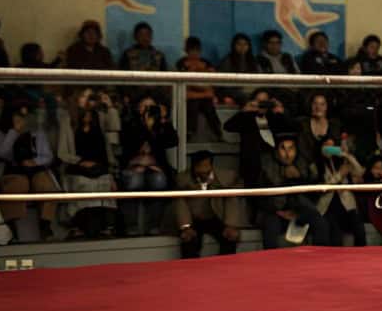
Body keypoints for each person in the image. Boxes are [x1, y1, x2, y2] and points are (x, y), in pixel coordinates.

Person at [56, 89, 123, 239]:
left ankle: (107, 226)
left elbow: (115, 129)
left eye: (91, 97)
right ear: (77, 99)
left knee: (105, 181)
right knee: (82, 182)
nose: (88, 101)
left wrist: (110, 106)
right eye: (84, 97)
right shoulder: (68, 120)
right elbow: (62, 153)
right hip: (76, 165)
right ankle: (78, 225)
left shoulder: (100, 117)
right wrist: (80, 161)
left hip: (100, 166)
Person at [0, 102, 62, 241]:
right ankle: (12, 227)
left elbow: (47, 156)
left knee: (46, 185)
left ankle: (45, 224)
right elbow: (2, 153)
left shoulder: (37, 133)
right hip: (14, 169)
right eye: (18, 116)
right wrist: (14, 132)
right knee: (17, 186)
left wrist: (34, 162)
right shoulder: (1, 133)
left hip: (35, 169)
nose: (21, 120)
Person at [256, 134, 330, 249]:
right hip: (275, 212)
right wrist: (278, 211)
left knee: (321, 223)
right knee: (271, 227)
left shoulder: (302, 163)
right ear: (277, 150)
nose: (287, 154)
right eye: (283, 148)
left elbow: (313, 192)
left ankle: (319, 258)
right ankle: (270, 263)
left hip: (300, 211)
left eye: (291, 148)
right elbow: (259, 197)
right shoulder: (267, 165)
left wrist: (299, 178)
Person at [119, 94, 179, 235]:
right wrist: (146, 127)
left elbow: (173, 141)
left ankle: (154, 226)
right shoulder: (129, 122)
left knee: (159, 181)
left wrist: (161, 122)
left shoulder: (160, 125)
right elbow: (129, 144)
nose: (147, 109)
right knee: (134, 181)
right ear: (137, 108)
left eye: (150, 106)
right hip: (133, 166)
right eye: (143, 106)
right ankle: (131, 226)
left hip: (155, 166)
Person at [174, 151, 247, 259]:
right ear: (194, 167)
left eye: (206, 166)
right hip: (193, 219)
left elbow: (232, 199)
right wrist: (186, 227)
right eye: (199, 166)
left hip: (216, 216)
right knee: (189, 241)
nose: (203, 170)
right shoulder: (183, 180)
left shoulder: (226, 178)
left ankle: (225, 266)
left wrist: (231, 225)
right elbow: (180, 203)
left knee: (229, 238)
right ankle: (191, 270)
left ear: (211, 165)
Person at [223, 89, 294, 185]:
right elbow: (228, 126)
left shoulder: (274, 117)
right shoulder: (247, 118)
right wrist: (244, 110)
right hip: (252, 166)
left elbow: (293, 128)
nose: (262, 104)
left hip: (273, 165)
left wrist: (281, 111)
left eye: (265, 101)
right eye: (258, 101)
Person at [313, 135, 366, 247]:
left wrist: (348, 155)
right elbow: (321, 189)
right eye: (326, 146)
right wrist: (339, 175)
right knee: (336, 238)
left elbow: (360, 172)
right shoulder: (315, 166)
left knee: (359, 231)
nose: (329, 148)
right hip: (328, 206)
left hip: (347, 204)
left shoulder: (342, 162)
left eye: (332, 146)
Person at [177, 37, 223, 140]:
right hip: (190, 96)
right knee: (192, 107)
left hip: (206, 96)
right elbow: (186, 80)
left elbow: (212, 78)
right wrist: (198, 85)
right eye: (191, 50)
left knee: (210, 109)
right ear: (186, 50)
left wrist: (202, 86)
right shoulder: (182, 63)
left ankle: (218, 132)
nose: (194, 53)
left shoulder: (206, 63)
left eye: (196, 50)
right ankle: (189, 133)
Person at [297, 93, 341, 166]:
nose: (318, 107)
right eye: (315, 103)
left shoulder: (334, 125)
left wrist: (331, 149)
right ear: (310, 105)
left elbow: (339, 150)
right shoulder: (303, 124)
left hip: (331, 167)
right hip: (307, 166)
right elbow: (301, 150)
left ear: (326, 107)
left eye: (322, 104)